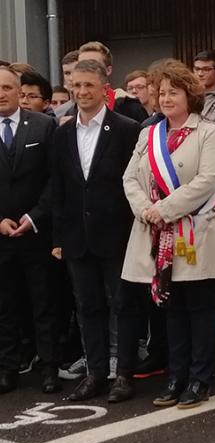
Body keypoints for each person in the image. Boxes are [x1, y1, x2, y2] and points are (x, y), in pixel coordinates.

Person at [119, 60, 215, 408]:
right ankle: (176, 375)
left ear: (190, 94)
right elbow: (130, 179)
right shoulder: (148, 134)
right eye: (161, 92)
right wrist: (146, 210)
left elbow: (208, 179)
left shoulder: (208, 132)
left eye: (174, 91)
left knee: (198, 305)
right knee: (171, 307)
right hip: (155, 233)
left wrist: (164, 209)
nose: (166, 98)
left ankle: (200, 379)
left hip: (194, 231)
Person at [51, 59, 141, 401]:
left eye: (88, 85)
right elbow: (58, 189)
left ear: (105, 87)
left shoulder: (126, 128)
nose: (81, 91)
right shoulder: (61, 133)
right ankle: (95, 373)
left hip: (117, 235)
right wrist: (58, 238)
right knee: (87, 307)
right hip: (77, 237)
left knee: (124, 305)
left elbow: (134, 184)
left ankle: (125, 374)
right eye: (76, 85)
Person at [0, 67, 60, 395]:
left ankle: (49, 367)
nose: (1, 93)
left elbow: (55, 178)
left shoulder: (43, 125)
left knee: (44, 302)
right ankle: (8, 368)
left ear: (19, 90)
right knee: (5, 304)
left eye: (8, 87)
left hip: (36, 231)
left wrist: (35, 216)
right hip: (1, 233)